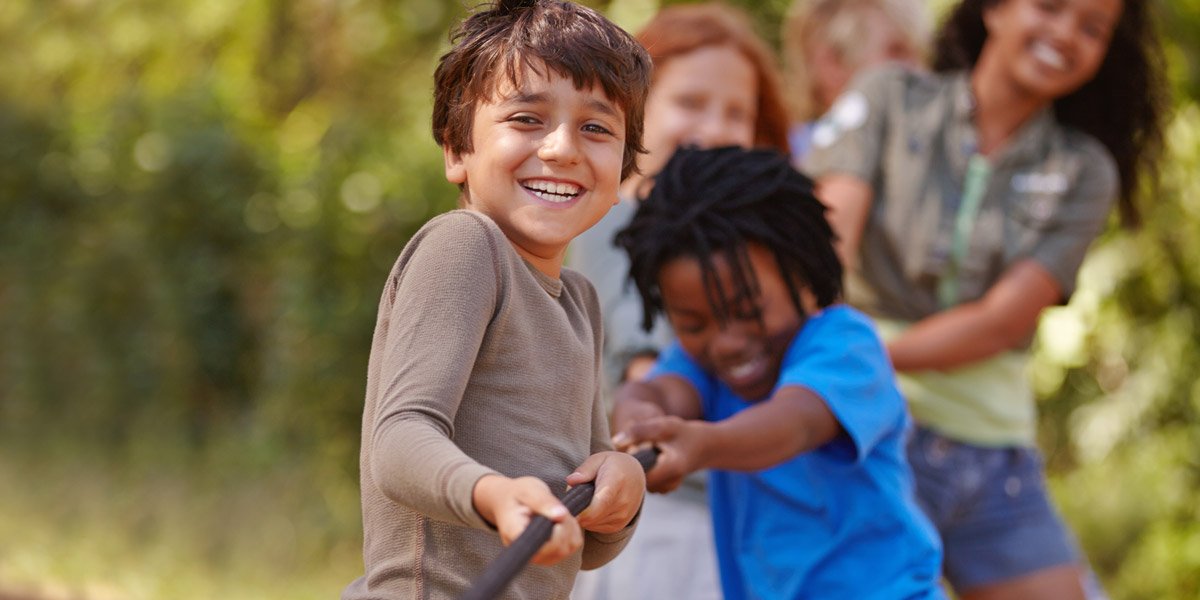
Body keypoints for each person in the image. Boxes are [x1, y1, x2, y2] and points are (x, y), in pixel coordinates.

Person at [803, 0, 1168, 598]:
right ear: (995, 9)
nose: (1065, 34)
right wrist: (838, 372)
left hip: (991, 459)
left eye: (1092, 28)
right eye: (1049, 7)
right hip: (864, 436)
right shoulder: (889, 99)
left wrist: (866, 353)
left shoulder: (1083, 170)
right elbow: (822, 249)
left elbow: (1001, 322)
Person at [341, 1, 655, 598]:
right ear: (458, 151)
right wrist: (495, 496)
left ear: (624, 171)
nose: (563, 148)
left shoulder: (579, 302)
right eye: (526, 118)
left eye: (596, 128)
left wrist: (621, 488)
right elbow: (400, 439)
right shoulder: (465, 245)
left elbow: (579, 545)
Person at [610, 145, 945, 600]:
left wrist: (701, 445)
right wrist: (635, 424)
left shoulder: (844, 346)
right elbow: (658, 394)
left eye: (748, 310)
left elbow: (795, 423)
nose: (726, 342)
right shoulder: (703, 367)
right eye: (693, 324)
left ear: (803, 277)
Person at [566, 4, 791, 598]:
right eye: (691, 103)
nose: (714, 129)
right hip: (665, 523)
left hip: (744, 513)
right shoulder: (618, 220)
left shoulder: (745, 244)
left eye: (736, 113)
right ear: (636, 110)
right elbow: (642, 365)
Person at [781, 0, 929, 161]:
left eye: (922, 55)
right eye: (897, 52)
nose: (921, 72)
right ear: (833, 62)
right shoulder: (790, 163)